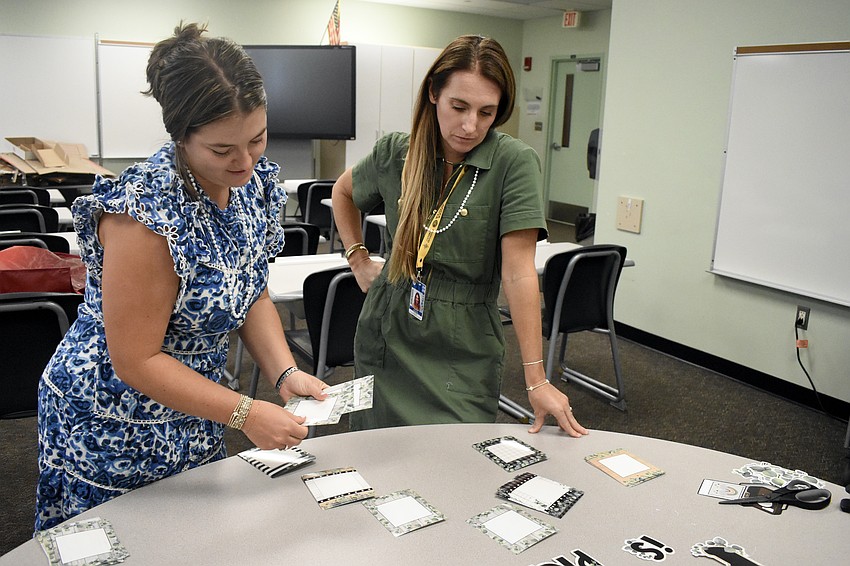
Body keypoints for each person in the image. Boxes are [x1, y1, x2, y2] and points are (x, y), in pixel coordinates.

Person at [35, 22, 327, 531]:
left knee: (194, 536)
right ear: (181, 137)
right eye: (221, 150)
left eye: (257, 138)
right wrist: (245, 414)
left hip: (198, 399)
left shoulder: (251, 183)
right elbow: (137, 359)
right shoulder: (145, 214)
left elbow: (248, 286)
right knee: (125, 539)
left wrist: (283, 373)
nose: (245, 160)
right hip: (115, 415)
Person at [331, 35, 588, 437]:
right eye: (459, 107)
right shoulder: (397, 152)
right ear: (433, 93)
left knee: (455, 459)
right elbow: (343, 192)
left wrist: (536, 379)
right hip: (390, 325)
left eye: (487, 112)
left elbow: (519, 274)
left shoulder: (513, 163)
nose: (470, 126)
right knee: (378, 452)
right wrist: (358, 258)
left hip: (464, 338)